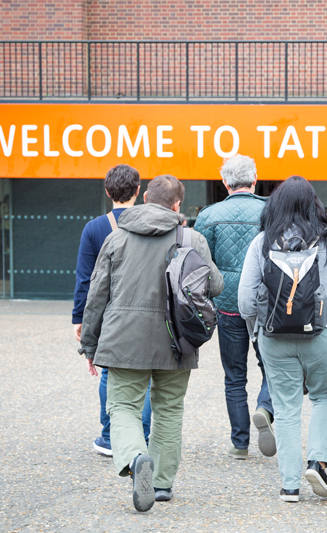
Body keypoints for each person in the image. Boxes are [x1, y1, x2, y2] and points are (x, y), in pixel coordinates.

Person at [79, 175, 223, 512]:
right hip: (178, 339)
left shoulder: (117, 238)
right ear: (177, 205)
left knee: (124, 406)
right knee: (169, 409)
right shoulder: (192, 238)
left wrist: (90, 345)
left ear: (144, 197)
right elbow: (214, 285)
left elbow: (97, 296)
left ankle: (134, 458)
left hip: (123, 339)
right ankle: (161, 484)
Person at [238, 176, 327, 503]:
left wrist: (257, 330)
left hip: (275, 336)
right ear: (314, 204)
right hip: (323, 334)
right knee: (324, 397)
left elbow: (245, 302)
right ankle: (317, 462)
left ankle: (289, 486)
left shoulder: (262, 242)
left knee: (286, 407)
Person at [194, 154, 275, 460]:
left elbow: (200, 264)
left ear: (224, 182)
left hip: (227, 305)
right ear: (255, 180)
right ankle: (266, 407)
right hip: (265, 305)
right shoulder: (270, 211)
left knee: (234, 376)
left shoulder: (209, 216)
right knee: (273, 367)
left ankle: (240, 443)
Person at [71, 164, 151, 457]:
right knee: (147, 374)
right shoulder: (149, 222)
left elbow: (85, 279)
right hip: (146, 308)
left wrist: (79, 318)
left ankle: (109, 437)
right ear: (138, 191)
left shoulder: (94, 228)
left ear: (107, 192)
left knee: (109, 373)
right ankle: (142, 434)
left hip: (108, 314)